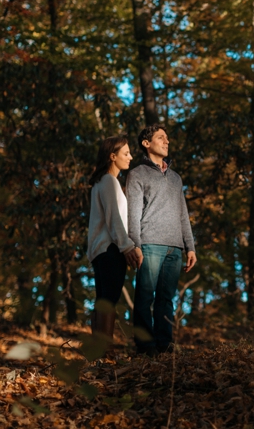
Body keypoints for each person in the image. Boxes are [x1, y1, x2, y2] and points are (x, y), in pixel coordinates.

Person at [127, 124, 197, 356]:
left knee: (166, 300)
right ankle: (145, 349)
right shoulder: (137, 173)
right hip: (149, 244)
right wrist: (135, 245)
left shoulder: (176, 178)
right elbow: (133, 214)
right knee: (145, 296)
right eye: (161, 138)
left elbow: (182, 214)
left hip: (175, 248)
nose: (167, 141)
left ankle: (164, 347)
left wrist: (190, 246)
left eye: (167, 138)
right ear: (146, 144)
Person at [87, 136, 143, 346]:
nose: (130, 157)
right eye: (125, 153)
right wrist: (127, 246)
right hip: (110, 250)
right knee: (108, 303)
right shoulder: (109, 181)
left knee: (102, 302)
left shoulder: (100, 182)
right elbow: (114, 219)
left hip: (100, 250)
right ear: (113, 156)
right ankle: (105, 353)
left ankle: (99, 355)